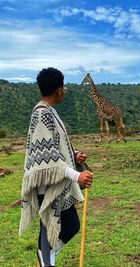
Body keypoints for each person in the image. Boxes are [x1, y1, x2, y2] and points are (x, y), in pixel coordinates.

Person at [19, 67, 93, 267]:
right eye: (64, 87)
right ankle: (46, 260)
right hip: (47, 183)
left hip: (59, 180)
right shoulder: (41, 114)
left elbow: (54, 146)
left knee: (71, 225)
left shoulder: (50, 112)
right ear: (59, 89)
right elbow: (47, 158)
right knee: (49, 225)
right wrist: (76, 176)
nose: (65, 90)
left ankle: (47, 255)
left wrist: (74, 154)